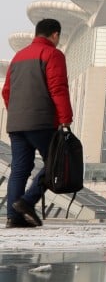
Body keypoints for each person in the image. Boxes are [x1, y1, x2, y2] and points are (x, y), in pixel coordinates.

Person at [2, 18, 73, 228]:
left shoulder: (18, 57)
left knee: (19, 169)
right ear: (55, 35)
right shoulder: (53, 54)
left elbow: (6, 91)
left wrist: (16, 112)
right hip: (42, 121)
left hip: (16, 123)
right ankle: (26, 202)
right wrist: (65, 118)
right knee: (56, 164)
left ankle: (13, 218)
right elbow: (58, 88)